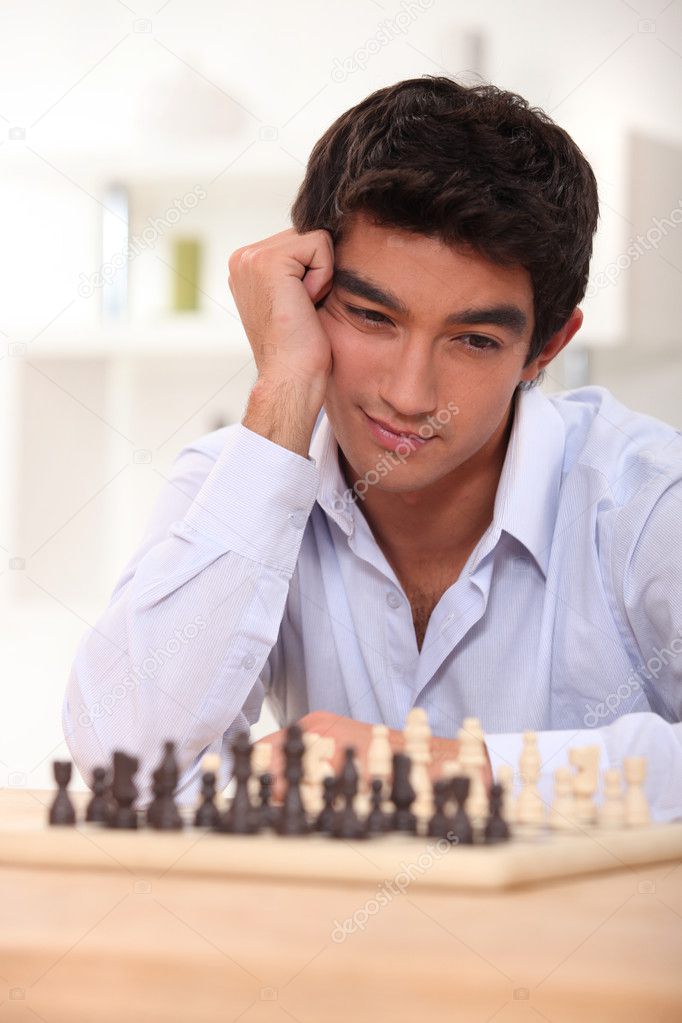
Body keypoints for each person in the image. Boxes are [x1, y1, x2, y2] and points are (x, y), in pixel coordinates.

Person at [63, 76, 682, 818]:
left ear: (545, 347)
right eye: (371, 316)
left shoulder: (646, 500)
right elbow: (124, 764)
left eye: (474, 340)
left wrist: (449, 771)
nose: (411, 393)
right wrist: (284, 384)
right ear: (308, 291)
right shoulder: (238, 479)